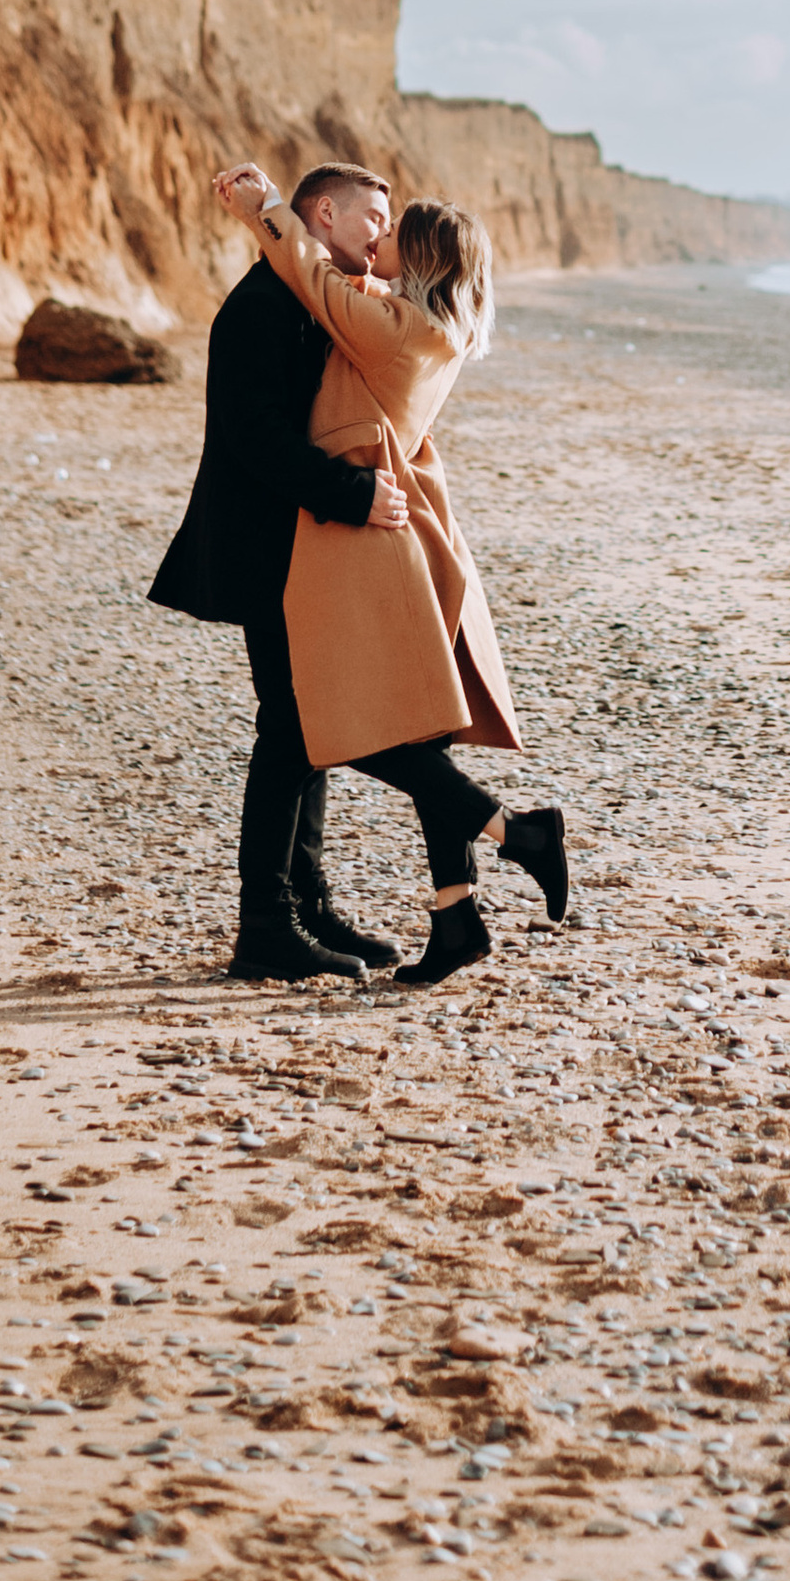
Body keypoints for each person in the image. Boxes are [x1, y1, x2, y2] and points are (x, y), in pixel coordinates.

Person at [212, 157, 569, 991]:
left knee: (342, 728)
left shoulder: (396, 327)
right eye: (370, 221)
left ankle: (518, 836)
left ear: (423, 259)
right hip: (385, 533)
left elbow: (309, 271)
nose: (379, 239)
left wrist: (262, 206)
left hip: (362, 539)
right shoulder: (423, 321)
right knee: (401, 727)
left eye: (392, 231)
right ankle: (455, 915)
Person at [148, 160, 414, 982]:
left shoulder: (311, 297)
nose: (383, 230)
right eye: (374, 214)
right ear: (323, 213)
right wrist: (354, 491)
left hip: (296, 544)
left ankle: (306, 906)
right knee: (293, 728)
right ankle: (266, 922)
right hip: (261, 545)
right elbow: (258, 442)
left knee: (306, 724)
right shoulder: (260, 306)